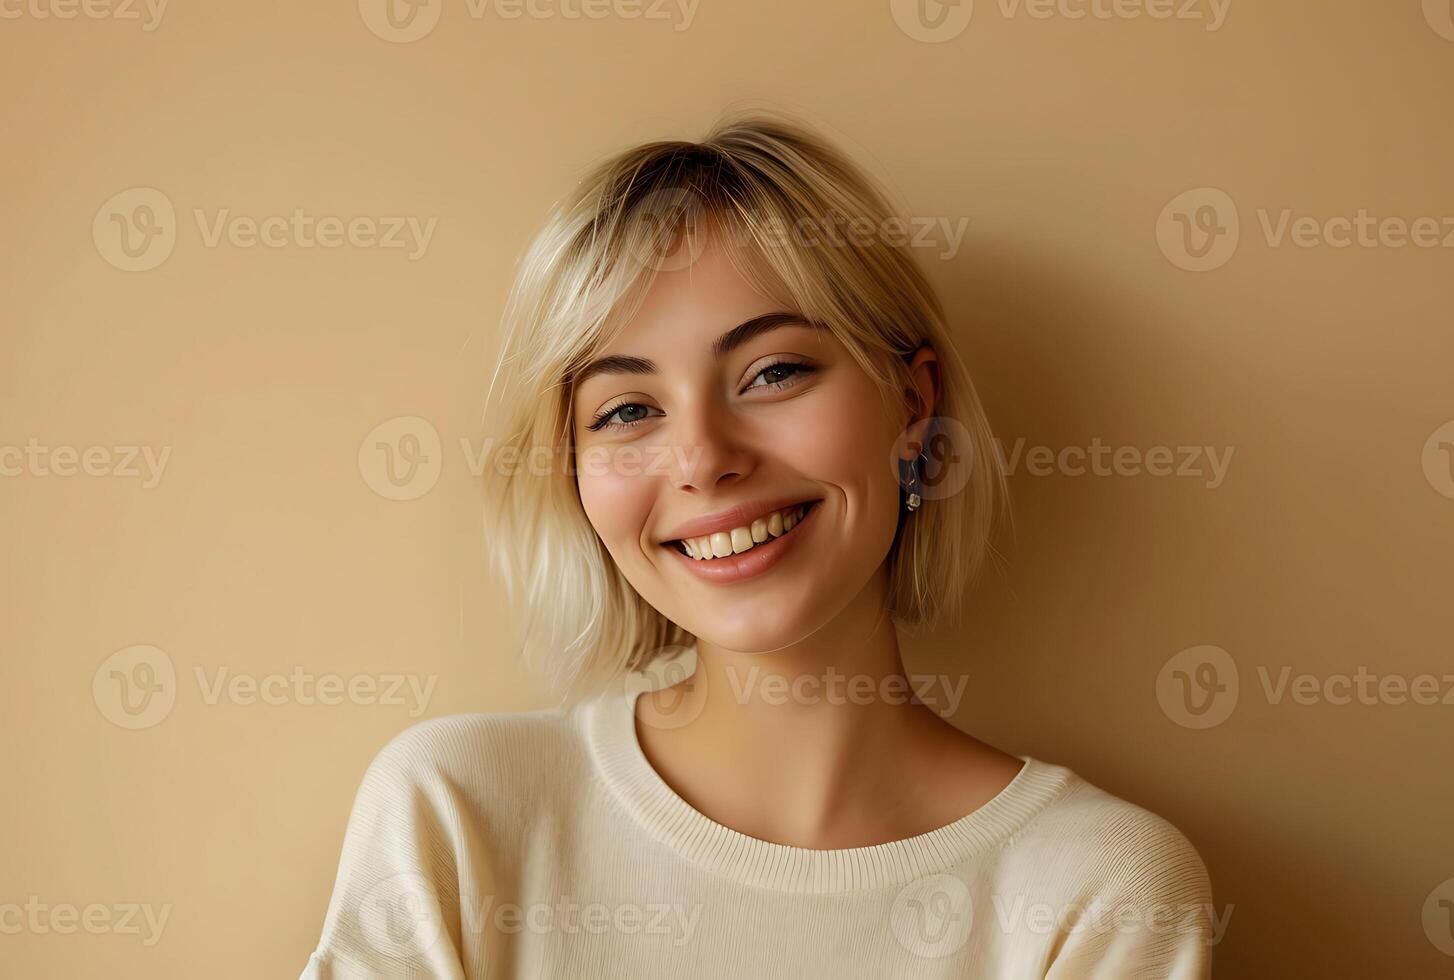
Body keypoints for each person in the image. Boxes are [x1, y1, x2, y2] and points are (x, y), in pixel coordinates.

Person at [300, 109, 1215, 978]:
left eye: (773, 372)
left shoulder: (1098, 890)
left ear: (911, 405)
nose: (703, 459)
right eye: (627, 410)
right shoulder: (458, 812)